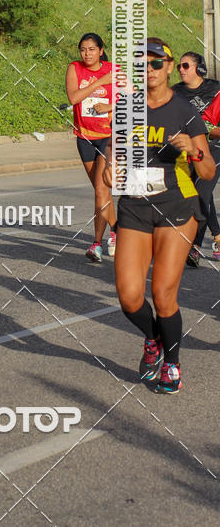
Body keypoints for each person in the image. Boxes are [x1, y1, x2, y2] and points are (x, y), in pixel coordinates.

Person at [107, 38, 214, 394]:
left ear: (169, 68)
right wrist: (110, 170)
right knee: (129, 297)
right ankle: (153, 339)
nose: (149, 70)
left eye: (157, 63)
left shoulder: (184, 110)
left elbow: (210, 171)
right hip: (135, 207)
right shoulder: (126, 108)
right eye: (143, 64)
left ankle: (172, 361)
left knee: (164, 295)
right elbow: (112, 156)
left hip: (176, 208)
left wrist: (194, 152)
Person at [65, 32, 117, 262]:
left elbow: (134, 99)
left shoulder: (114, 70)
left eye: (92, 49)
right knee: (102, 193)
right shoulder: (74, 68)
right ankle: (117, 230)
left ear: (101, 50)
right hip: (84, 137)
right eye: (83, 49)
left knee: (99, 190)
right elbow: (74, 98)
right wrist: (98, 83)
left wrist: (111, 106)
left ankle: (96, 243)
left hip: (108, 137)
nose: (87, 54)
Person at [173, 52, 220, 265]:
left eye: (185, 66)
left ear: (199, 68)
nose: (181, 70)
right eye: (179, 67)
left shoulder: (215, 89)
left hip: (214, 149)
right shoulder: (175, 92)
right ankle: (217, 236)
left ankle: (195, 246)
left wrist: (208, 130)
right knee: (198, 194)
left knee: (201, 192)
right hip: (187, 152)